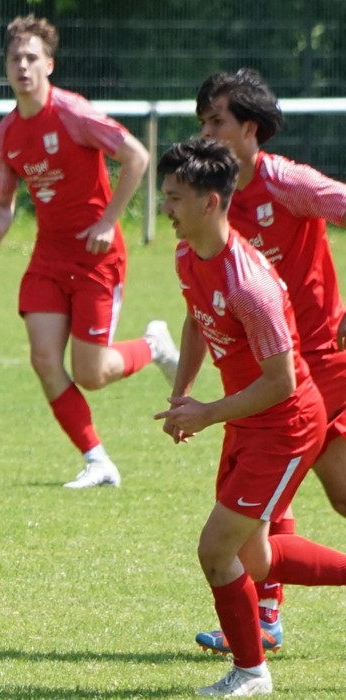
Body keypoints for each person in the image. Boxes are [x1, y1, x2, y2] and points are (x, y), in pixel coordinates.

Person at [155, 137, 346, 697]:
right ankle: (251, 666)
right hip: (249, 419)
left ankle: (251, 672)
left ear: (210, 202)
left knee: (216, 550)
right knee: (254, 559)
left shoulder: (249, 284)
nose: (166, 208)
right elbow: (196, 320)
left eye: (175, 197)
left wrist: (209, 412)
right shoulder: (188, 255)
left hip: (285, 425)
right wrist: (183, 396)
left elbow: (282, 382)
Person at [0, 14, 177, 489]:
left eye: (32, 58)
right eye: (14, 59)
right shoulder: (5, 134)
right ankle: (97, 461)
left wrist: (108, 221)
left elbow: (137, 156)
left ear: (49, 64)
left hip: (96, 256)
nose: (22, 66)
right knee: (44, 359)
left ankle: (152, 346)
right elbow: (4, 200)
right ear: (5, 67)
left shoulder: (73, 113)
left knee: (92, 373)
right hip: (48, 258)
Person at [192, 68, 346, 655]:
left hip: (320, 366)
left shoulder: (286, 183)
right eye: (202, 122)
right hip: (274, 371)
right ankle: (265, 614)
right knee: (311, 494)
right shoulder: (216, 201)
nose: (206, 133)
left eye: (217, 122)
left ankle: (264, 617)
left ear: (250, 129)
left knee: (271, 492)